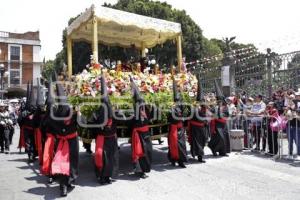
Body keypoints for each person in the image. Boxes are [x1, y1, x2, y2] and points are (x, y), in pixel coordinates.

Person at [50, 80, 79, 197]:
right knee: (66, 162)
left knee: (67, 161)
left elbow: (52, 125)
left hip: (66, 140)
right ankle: (64, 185)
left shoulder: (58, 111)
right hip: (67, 140)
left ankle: (68, 182)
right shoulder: (70, 110)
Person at [90, 74, 119, 184]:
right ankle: (101, 177)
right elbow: (93, 124)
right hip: (103, 140)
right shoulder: (98, 112)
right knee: (101, 158)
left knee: (111, 159)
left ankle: (108, 176)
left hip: (110, 139)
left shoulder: (113, 112)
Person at [130, 76, 153, 178]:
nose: (142, 105)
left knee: (148, 152)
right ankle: (139, 171)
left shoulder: (146, 110)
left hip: (146, 135)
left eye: (143, 103)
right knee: (140, 153)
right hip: (138, 136)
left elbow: (150, 118)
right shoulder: (134, 113)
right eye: (140, 104)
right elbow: (130, 123)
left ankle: (145, 169)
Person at [187, 74, 208, 163]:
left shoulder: (204, 108)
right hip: (195, 128)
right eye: (201, 101)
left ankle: (198, 154)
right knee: (197, 142)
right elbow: (190, 117)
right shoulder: (193, 108)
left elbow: (206, 117)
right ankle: (200, 156)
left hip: (202, 128)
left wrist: (206, 121)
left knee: (202, 142)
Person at [167, 78, 188, 167]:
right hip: (174, 128)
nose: (179, 102)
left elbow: (185, 114)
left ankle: (181, 161)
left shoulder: (181, 107)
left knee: (182, 144)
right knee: (174, 145)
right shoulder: (171, 108)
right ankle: (173, 159)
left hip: (181, 129)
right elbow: (172, 118)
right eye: (178, 101)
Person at [208, 80, 230, 156]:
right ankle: (213, 148)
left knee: (224, 138)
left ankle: (222, 152)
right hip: (217, 125)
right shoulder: (215, 107)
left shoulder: (225, 107)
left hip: (223, 124)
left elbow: (227, 114)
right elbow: (210, 112)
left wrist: (220, 115)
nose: (219, 102)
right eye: (218, 100)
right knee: (219, 138)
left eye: (220, 100)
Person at [20, 81, 38, 162]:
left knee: (33, 142)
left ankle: (33, 155)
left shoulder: (35, 113)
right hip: (28, 130)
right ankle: (31, 155)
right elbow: (20, 119)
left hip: (34, 130)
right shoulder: (25, 112)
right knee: (29, 142)